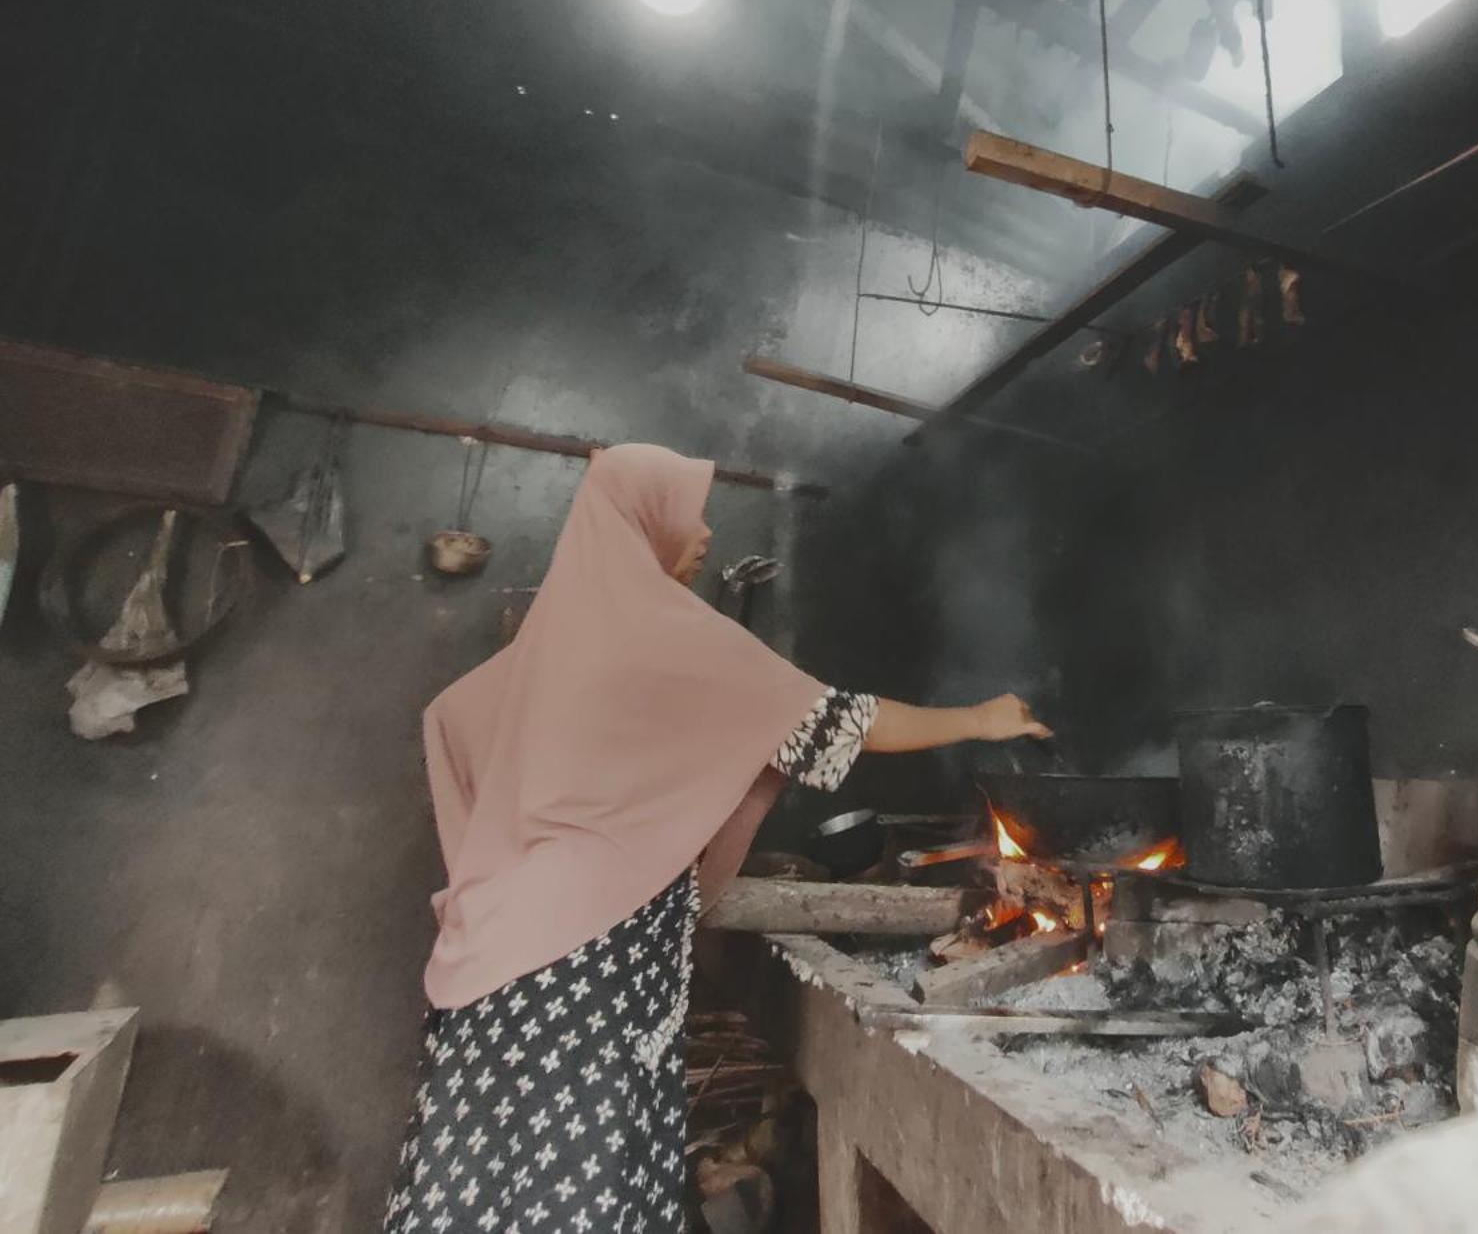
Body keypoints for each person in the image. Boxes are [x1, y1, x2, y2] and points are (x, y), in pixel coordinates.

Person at [382, 443, 1049, 1233]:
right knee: (578, 1183)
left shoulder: (556, 642)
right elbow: (831, 721)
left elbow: (451, 720)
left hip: (495, 962)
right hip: (586, 970)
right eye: (685, 511)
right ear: (640, 524)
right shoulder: (660, 628)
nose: (703, 530)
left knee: (485, 1180)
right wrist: (980, 719)